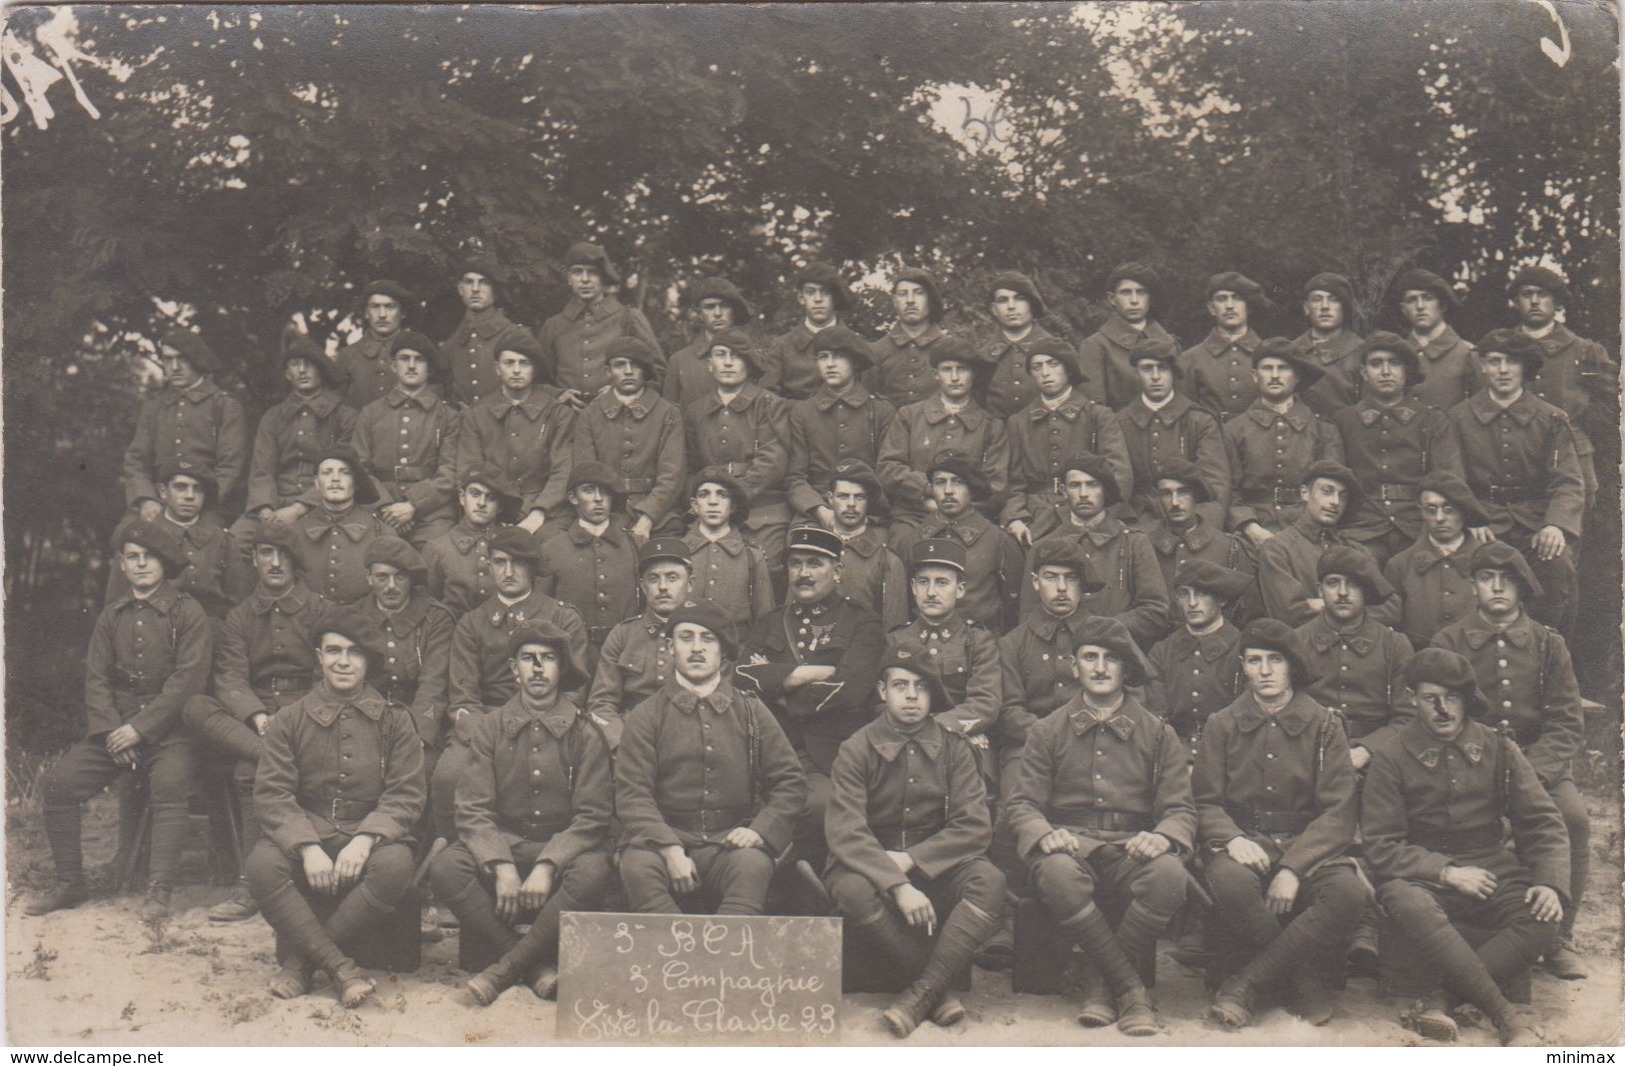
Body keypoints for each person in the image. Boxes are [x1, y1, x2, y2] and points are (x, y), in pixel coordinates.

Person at [1361, 648, 1565, 1046]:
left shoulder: (1499, 747)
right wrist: (1447, 872)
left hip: (1492, 865)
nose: (1442, 709)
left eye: (1451, 697)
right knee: (1409, 902)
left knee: (1543, 915)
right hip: (1419, 873)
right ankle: (1506, 1016)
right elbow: (1381, 846)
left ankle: (1442, 997)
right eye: (1429, 698)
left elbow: (1541, 820)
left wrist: (1550, 883)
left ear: (1467, 698)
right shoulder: (1391, 757)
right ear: (1412, 699)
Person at [1006, 617, 1193, 1036]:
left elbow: (1180, 809)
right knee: (1055, 873)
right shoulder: (1047, 730)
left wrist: (1162, 836)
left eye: (1112, 659)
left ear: (1127, 669)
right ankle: (1129, 988)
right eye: (1090, 657)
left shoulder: (1158, 734)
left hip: (1133, 848)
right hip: (1074, 846)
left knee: (1169, 875)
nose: (1101, 667)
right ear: (1074, 668)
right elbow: (1022, 804)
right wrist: (1045, 833)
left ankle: (1099, 981)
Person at [25, 521, 211, 920]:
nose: (141, 564)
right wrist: (112, 732)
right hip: (115, 729)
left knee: (169, 784)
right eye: (132, 558)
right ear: (122, 565)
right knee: (59, 784)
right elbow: (96, 678)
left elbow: (188, 680)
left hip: (170, 730)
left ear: (164, 563)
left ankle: (158, 890)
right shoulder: (112, 616)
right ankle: (70, 883)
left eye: (149, 558)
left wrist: (140, 730)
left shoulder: (187, 612)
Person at [244, 608, 425, 1006]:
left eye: (354, 653)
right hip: (308, 825)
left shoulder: (396, 721)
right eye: (333, 651)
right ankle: (341, 968)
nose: (343, 662)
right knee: (261, 864)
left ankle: (303, 964)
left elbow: (406, 793)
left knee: (395, 865)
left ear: (368, 661)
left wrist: (364, 839)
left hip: (369, 830)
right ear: (318, 657)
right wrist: (307, 847)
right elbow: (273, 793)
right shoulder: (289, 720)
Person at [824, 646, 1006, 1038]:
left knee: (989, 881)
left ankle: (921, 993)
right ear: (881, 691)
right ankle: (936, 991)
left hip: (935, 862)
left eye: (921, 688)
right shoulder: (856, 748)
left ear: (932, 696)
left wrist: (912, 860)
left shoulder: (955, 747)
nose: (910, 696)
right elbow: (846, 830)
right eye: (900, 686)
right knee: (850, 887)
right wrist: (897, 883)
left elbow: (973, 826)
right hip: (871, 862)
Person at [429, 622, 613, 1005]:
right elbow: (473, 809)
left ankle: (506, 967)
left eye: (548, 659)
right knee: (447, 866)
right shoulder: (490, 728)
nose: (539, 668)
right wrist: (501, 863)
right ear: (514, 669)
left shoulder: (585, 732)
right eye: (528, 659)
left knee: (597, 870)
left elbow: (593, 816)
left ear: (561, 668)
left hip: (561, 850)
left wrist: (548, 864)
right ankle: (531, 965)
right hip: (506, 844)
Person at [1196, 619, 1367, 1029]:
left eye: (1276, 660)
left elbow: (1339, 811)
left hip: (1308, 842)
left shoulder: (1325, 724)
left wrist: (1294, 867)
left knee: (1347, 893)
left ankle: (1245, 984)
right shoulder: (1222, 723)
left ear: (1293, 666)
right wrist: (1232, 838)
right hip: (1246, 839)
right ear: (1244, 668)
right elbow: (1203, 802)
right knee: (1232, 882)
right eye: (1255, 661)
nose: (1266, 670)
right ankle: (1301, 979)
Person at [1430, 540, 1588, 979]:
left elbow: (1566, 724)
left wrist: (1532, 774)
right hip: (1469, 763)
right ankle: (1471, 929)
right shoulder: (1450, 641)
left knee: (1572, 820)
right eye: (1485, 578)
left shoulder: (1547, 645)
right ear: (1473, 585)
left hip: (1540, 765)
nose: (1496, 587)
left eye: (1507, 580)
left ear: (1521, 587)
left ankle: (1560, 938)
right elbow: (1439, 713)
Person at [180, 522, 333, 923]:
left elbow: (328, 675)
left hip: (308, 715)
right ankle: (270, 755)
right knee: (196, 706)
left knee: (252, 770)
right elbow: (229, 676)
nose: (276, 562)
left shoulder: (320, 609)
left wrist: (291, 719)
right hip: (255, 717)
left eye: (284, 554)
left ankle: (251, 886)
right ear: (256, 560)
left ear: (296, 561)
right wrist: (258, 716)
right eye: (266, 553)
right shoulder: (240, 616)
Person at [617, 602, 808, 915]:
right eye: (686, 638)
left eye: (708, 639)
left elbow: (790, 783)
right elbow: (632, 794)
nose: (696, 648)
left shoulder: (751, 711)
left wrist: (759, 830)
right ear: (669, 648)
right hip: (664, 837)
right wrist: (669, 849)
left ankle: (724, 960)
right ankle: (673, 960)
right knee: (637, 867)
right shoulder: (646, 715)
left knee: (751, 866)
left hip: (729, 842)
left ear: (724, 652)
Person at [736, 525, 885, 870]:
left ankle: (789, 878)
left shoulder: (862, 622)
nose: (803, 573)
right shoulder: (771, 621)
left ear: (837, 571)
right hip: (770, 746)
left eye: (815, 564)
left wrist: (776, 679)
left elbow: (851, 688)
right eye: (796, 563)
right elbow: (741, 677)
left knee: (818, 805)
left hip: (831, 751)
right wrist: (813, 672)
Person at [441, 527, 590, 841]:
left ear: (533, 568)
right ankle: (454, 849)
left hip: (552, 719)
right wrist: (489, 735)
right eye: (499, 562)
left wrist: (541, 722)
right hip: (488, 722)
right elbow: (463, 696)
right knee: (448, 774)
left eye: (518, 563)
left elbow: (575, 689)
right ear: (490, 566)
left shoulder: (562, 618)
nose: (508, 572)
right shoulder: (472, 623)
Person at [1448, 328, 1583, 634]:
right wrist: (1471, 516)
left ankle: (1548, 657)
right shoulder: (1458, 418)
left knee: (1557, 565)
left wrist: (1555, 525)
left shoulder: (1551, 419)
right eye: (1494, 362)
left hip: (1533, 524)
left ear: (1526, 367)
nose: (1503, 370)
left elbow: (1567, 481)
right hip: (1481, 523)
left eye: (1512, 361)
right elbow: (1452, 478)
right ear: (1482, 366)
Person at [1331, 332, 1463, 565]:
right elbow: (1334, 480)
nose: (1385, 371)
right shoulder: (1344, 421)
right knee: (1355, 566)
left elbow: (1449, 481)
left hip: (1418, 527)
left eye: (1394, 363)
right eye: (1376, 364)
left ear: (1407, 371)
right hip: (1362, 529)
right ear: (1363, 373)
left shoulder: (1432, 420)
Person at [875, 335, 1008, 551]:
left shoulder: (991, 426)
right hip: (915, 515)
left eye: (962, 369)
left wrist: (958, 508)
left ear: (973, 374)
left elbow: (997, 485)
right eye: (947, 369)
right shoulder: (909, 416)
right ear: (936, 375)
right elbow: (888, 468)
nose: (954, 377)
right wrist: (927, 490)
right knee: (903, 545)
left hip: (972, 519)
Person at [1023, 453, 1168, 649]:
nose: (1083, 493)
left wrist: (1104, 628)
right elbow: (1028, 617)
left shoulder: (1133, 542)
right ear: (1064, 492)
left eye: (1092, 485)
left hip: (1117, 652)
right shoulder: (1044, 546)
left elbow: (1155, 612)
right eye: (1075, 485)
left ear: (1105, 490)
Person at [682, 327, 792, 583]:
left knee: (766, 567)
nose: (728, 363)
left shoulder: (769, 404)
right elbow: (690, 466)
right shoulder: (695, 411)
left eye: (737, 356)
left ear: (749, 362)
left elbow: (772, 460)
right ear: (710, 364)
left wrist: (733, 499)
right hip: (708, 508)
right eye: (721, 355)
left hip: (762, 509)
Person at [994, 539, 1105, 783]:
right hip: (1029, 747)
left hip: (1096, 743)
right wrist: (1052, 737)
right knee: (1018, 802)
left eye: (1071, 578)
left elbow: (1129, 696)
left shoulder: (1105, 634)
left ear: (1083, 583)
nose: (1062, 587)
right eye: (1051, 577)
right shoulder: (1013, 643)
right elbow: (1009, 711)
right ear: (1035, 582)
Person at [1510, 264, 1617, 510]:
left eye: (1543, 294)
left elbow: (1610, 402)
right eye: (1527, 294)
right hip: (1513, 456)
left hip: (1571, 456)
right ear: (1516, 301)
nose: (1534, 301)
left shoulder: (1585, 351)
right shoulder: (1501, 350)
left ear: (1557, 302)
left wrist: (1578, 428)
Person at [1002, 343, 1131, 545]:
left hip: (1088, 512)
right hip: (1036, 519)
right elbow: (1012, 481)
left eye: (1053, 364)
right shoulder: (1018, 422)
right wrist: (1016, 517)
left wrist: (1105, 516)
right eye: (1037, 367)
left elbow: (1119, 473)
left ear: (1069, 369)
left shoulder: (1097, 416)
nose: (1045, 373)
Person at [1224, 336, 1346, 544]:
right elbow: (1228, 491)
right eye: (1267, 368)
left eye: (1283, 368)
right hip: (1252, 531)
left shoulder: (1323, 431)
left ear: (1297, 376)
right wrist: (1250, 528)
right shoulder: (1234, 430)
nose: (1274, 375)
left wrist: (1305, 531)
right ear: (1254, 376)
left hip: (1310, 530)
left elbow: (1330, 491)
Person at [453, 336, 577, 539]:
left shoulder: (558, 414)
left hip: (548, 511)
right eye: (509, 363)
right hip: (492, 507)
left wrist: (539, 512)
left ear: (534, 369)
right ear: (496, 368)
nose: (517, 370)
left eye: (524, 363)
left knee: (552, 545)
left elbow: (564, 471)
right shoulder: (477, 414)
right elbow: (469, 470)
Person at [354, 536, 456, 782]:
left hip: (419, 719)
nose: (391, 586)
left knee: (421, 772)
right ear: (369, 578)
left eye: (400, 577)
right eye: (382, 577)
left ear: (411, 580)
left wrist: (417, 736)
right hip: (365, 720)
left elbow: (434, 682)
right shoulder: (352, 616)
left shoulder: (436, 619)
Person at [885, 538, 1006, 739]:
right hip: (903, 739)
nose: (931, 592)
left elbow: (985, 704)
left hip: (961, 738)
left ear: (960, 589)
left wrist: (931, 729)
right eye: (924, 582)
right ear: (913, 587)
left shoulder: (978, 641)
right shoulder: (896, 640)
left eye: (942, 583)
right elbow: (880, 703)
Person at [122, 328, 248, 519]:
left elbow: (230, 467)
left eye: (182, 359)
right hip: (158, 505)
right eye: (167, 359)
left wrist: (196, 503)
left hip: (209, 507)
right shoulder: (153, 408)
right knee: (126, 539)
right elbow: (137, 461)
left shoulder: (224, 406)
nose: (174, 367)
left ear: (198, 361)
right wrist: (146, 498)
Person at [571, 336, 686, 542]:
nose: (628, 371)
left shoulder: (667, 413)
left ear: (646, 371)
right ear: (608, 371)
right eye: (619, 365)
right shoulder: (590, 415)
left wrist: (648, 517)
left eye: (635, 365)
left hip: (659, 514)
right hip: (604, 510)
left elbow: (672, 475)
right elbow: (585, 473)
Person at [1294, 545, 1412, 746]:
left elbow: (1408, 717)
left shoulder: (1394, 645)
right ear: (1319, 589)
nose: (1342, 593)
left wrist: (1366, 750)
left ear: (1366, 591)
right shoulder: (1297, 641)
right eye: (1333, 583)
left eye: (1353, 584)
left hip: (1377, 757)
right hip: (1308, 749)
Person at [352, 330, 460, 549]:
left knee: (437, 552)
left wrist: (412, 506)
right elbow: (360, 468)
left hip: (433, 514)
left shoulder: (448, 416)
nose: (411, 366)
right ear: (393, 365)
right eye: (404, 358)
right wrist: (386, 507)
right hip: (380, 510)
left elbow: (450, 472)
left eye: (419, 360)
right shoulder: (371, 413)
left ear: (429, 369)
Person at [587, 537, 695, 748]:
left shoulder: (706, 635)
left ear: (690, 584)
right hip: (631, 739)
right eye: (654, 579)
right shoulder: (623, 635)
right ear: (643, 587)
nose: (663, 587)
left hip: (688, 742)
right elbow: (601, 703)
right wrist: (622, 745)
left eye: (672, 578)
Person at [106, 460, 249, 620]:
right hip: (155, 633)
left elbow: (238, 606)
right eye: (180, 487)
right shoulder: (139, 537)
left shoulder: (222, 540)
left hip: (210, 635)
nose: (189, 496)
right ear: (163, 492)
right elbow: (116, 605)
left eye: (197, 489)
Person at [785, 325, 896, 527]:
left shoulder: (881, 411)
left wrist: (867, 510)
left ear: (855, 362)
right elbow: (795, 478)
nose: (830, 364)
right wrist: (820, 510)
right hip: (818, 509)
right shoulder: (802, 413)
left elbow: (888, 472)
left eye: (839, 357)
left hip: (871, 510)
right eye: (823, 357)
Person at [1109, 340, 1229, 526]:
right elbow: (1115, 486)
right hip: (1136, 522)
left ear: (1174, 372)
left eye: (1163, 368)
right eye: (1147, 369)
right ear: (1136, 373)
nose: (1155, 377)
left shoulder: (1199, 421)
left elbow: (1216, 486)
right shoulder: (1119, 422)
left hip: (1191, 521)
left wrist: (1200, 528)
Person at [242, 337, 357, 528]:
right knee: (238, 539)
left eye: (309, 364)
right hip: (276, 502)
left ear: (321, 369)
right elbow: (262, 470)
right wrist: (266, 511)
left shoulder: (345, 415)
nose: (302, 370)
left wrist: (298, 509)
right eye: (295, 364)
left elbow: (344, 471)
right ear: (287, 374)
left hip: (324, 503)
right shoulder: (273, 417)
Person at [537, 241, 665, 404]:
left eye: (592, 273)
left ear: (603, 278)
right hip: (566, 419)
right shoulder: (554, 325)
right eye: (577, 272)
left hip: (618, 417)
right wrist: (558, 395)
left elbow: (658, 373)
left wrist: (624, 393)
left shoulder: (628, 318)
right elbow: (537, 379)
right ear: (569, 279)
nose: (584, 279)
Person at [1145, 559, 1251, 751]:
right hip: (1175, 752)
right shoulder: (1162, 652)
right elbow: (1157, 718)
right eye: (1184, 594)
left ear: (1222, 599)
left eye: (1202, 593)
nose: (1192, 603)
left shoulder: (1244, 649)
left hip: (1232, 750)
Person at [1378, 471, 1490, 648]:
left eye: (1448, 509)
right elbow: (1385, 622)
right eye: (1431, 510)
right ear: (1421, 513)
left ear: (1463, 511)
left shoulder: (1488, 560)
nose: (1439, 518)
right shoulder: (1400, 565)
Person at [537, 461, 640, 651]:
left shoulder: (635, 546)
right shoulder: (552, 549)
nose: (598, 498)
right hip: (573, 654)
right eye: (589, 490)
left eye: (605, 492)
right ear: (573, 497)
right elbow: (543, 613)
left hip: (626, 652)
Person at [1254, 460, 1363, 627]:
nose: (1335, 502)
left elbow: (1389, 607)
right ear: (1305, 493)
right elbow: (1288, 613)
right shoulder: (1278, 548)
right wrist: (1350, 606)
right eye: (1327, 492)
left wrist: (1315, 604)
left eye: (1343, 496)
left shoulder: (1354, 549)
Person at [1140, 459, 1255, 610]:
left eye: (1183, 492)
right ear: (1158, 498)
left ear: (1197, 496)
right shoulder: (1142, 546)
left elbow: (1247, 608)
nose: (1175, 502)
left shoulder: (1229, 548)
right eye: (1166, 494)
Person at [1075, 261, 1180, 411]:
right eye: (1126, 292)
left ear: (1150, 298)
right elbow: (1095, 412)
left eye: (1141, 292)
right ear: (1112, 299)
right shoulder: (1096, 346)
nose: (1134, 300)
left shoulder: (1168, 342)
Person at [289, 445, 387, 605]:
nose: (335, 479)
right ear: (316, 483)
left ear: (356, 483)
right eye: (327, 473)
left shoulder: (381, 532)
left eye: (345, 472)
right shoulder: (294, 533)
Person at [819, 459, 909, 630]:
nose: (851, 504)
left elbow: (893, 631)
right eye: (843, 496)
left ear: (869, 502)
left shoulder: (887, 562)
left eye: (859, 497)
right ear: (830, 499)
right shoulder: (814, 552)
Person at [681, 469, 775, 631]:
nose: (713, 502)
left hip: (739, 651)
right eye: (704, 494)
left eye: (722, 495)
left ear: (733, 506)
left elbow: (765, 618)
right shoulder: (679, 553)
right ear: (694, 505)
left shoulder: (752, 556)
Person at [441, 255, 539, 408]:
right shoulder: (452, 342)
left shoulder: (517, 335)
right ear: (460, 289)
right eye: (469, 282)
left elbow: (539, 388)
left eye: (483, 283)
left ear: (495, 290)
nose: (475, 289)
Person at [422, 466, 522, 615]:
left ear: (500, 506)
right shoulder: (438, 548)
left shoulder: (514, 545)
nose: (481, 503)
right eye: (475, 494)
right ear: (462, 497)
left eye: (491, 498)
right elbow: (429, 606)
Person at [760, 261, 858, 401]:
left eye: (825, 292)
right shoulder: (781, 347)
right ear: (801, 298)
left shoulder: (855, 344)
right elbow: (768, 401)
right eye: (811, 292)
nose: (818, 299)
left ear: (835, 298)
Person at [1178, 272, 1270, 420]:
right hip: (1208, 439)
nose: (1229, 306)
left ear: (1249, 307)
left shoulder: (1269, 355)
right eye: (1221, 299)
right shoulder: (1190, 359)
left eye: (1237, 298)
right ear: (1212, 308)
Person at [982, 271, 1071, 420]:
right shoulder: (983, 357)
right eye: (1003, 300)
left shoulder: (1058, 350)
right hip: (997, 440)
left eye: (1019, 298)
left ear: (1032, 304)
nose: (1011, 306)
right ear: (993, 309)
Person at [866, 267, 958, 408]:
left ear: (931, 300)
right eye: (903, 294)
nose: (910, 300)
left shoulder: (951, 349)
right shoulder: (875, 352)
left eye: (918, 293)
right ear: (895, 301)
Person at [1394, 268, 1481, 411]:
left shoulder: (1468, 354)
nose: (1420, 306)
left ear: (1442, 305)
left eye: (1427, 298)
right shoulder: (1397, 354)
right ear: (1403, 310)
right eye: (1411, 300)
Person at [664, 276, 755, 411]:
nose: (717, 313)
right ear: (699, 314)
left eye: (724, 306)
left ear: (734, 310)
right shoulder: (680, 361)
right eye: (709, 307)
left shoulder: (753, 357)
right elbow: (668, 416)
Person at [1289, 273, 1366, 417]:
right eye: (1317, 300)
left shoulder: (1362, 353)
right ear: (1306, 307)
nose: (1325, 307)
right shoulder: (1291, 351)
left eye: (1334, 300)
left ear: (1345, 308)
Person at [335, 280, 416, 411]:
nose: (382, 315)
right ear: (366, 312)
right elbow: (337, 408)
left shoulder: (417, 354)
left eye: (390, 307)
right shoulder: (348, 356)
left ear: (403, 313)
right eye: (375, 306)